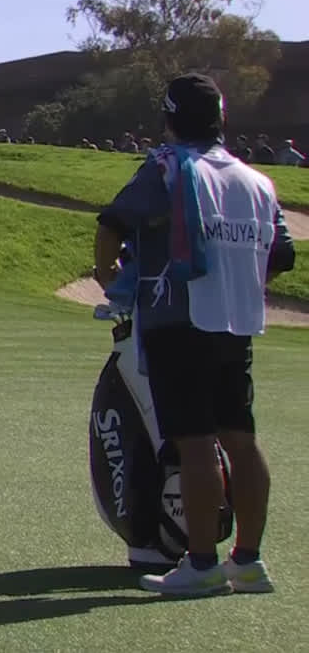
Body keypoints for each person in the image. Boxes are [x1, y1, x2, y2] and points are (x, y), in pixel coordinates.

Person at [94, 73, 295, 596]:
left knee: (196, 443)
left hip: (178, 323)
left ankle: (202, 564)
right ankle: (247, 561)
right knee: (241, 440)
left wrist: (107, 278)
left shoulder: (166, 166)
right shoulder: (257, 181)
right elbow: (282, 256)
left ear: (170, 117)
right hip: (238, 322)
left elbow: (112, 222)